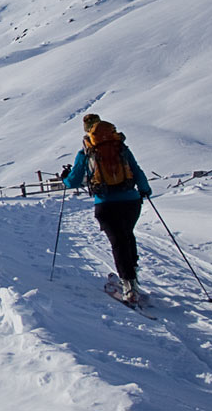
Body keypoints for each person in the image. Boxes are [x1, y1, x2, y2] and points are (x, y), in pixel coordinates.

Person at [62, 114, 153, 302]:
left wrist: (65, 177)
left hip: (106, 204)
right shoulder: (120, 147)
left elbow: (73, 181)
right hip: (131, 201)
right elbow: (136, 170)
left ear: (87, 129)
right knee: (127, 235)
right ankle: (132, 276)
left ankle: (128, 284)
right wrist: (144, 189)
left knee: (118, 241)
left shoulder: (86, 151)